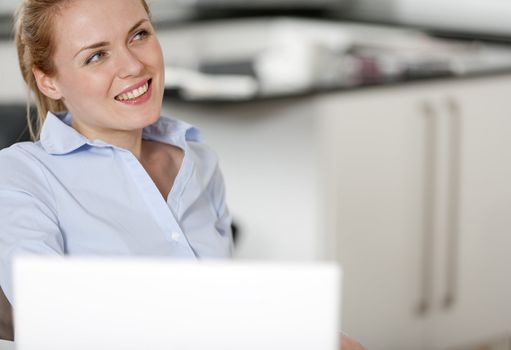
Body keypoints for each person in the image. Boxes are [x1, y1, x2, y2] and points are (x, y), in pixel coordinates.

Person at [0, 0, 365, 349]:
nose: (132, 66)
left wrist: (303, 333)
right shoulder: (23, 176)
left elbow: (220, 304)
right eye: (96, 55)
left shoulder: (199, 161)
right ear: (49, 82)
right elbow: (51, 321)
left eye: (139, 35)